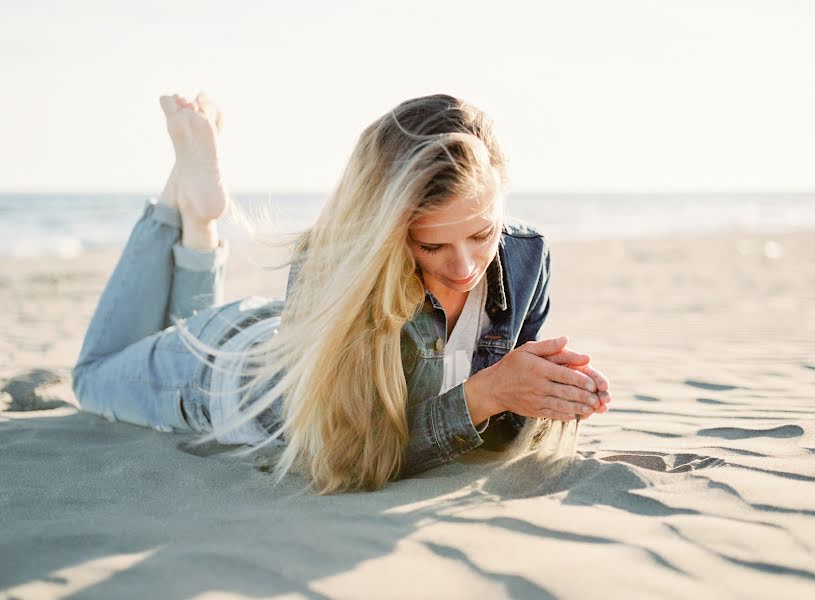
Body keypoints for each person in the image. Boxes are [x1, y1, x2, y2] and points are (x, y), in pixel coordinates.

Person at [71, 92, 612, 495]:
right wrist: (487, 394)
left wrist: (554, 391)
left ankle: (199, 219)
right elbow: (349, 457)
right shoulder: (332, 265)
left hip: (279, 331)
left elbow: (493, 421)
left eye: (481, 233)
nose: (465, 266)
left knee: (184, 319)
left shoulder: (526, 258)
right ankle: (179, 201)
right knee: (93, 375)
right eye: (430, 246)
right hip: (218, 379)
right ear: (387, 230)